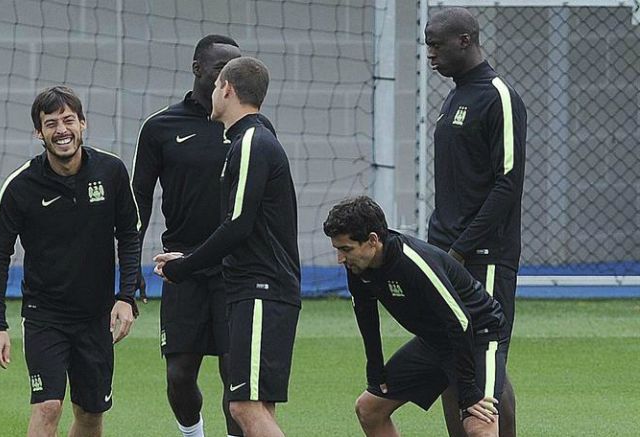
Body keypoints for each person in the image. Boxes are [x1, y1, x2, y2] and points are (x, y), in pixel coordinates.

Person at [132, 34, 271, 437]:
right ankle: (192, 433)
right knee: (179, 373)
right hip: (183, 265)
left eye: (233, 70)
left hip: (237, 266)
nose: (227, 77)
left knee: (235, 375)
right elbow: (138, 200)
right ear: (198, 70)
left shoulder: (251, 129)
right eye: (219, 69)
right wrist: (130, 266)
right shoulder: (160, 127)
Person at [154, 57, 300, 437]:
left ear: (227, 89)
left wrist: (183, 266)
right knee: (258, 408)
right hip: (258, 290)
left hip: (261, 290)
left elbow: (236, 225)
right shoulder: (244, 139)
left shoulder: (251, 141)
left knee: (244, 408)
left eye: (217, 87)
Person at [0, 86, 140, 437]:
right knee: (48, 406)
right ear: (39, 133)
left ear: (83, 124)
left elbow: (129, 235)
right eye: (51, 123)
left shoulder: (112, 172)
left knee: (90, 415)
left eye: (69, 120)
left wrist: (126, 296)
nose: (62, 130)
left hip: (94, 317)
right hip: (45, 316)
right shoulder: (20, 186)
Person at [323, 195, 509, 437]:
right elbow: (366, 316)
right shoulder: (358, 266)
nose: (340, 259)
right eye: (338, 249)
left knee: (478, 426)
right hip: (436, 342)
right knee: (369, 409)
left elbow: (460, 321)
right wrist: (376, 370)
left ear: (372, 240)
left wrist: (467, 391)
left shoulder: (414, 261)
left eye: (346, 249)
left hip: (479, 334)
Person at [425, 7, 527, 437]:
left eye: (436, 44)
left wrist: (462, 248)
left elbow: (508, 184)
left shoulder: (498, 96)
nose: (429, 53)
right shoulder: (455, 95)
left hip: (482, 256)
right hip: (449, 252)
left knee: (486, 364)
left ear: (465, 40)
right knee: (456, 361)